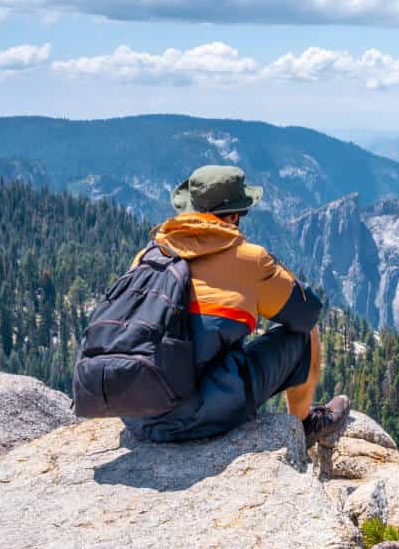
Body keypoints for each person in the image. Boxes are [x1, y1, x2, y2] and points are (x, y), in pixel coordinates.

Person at [122, 164, 349, 446]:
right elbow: (307, 313)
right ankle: (305, 426)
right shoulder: (247, 259)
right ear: (232, 217)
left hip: (132, 410)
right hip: (191, 419)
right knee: (305, 335)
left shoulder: (148, 255)